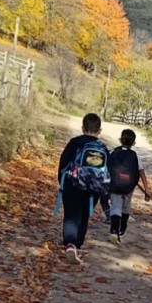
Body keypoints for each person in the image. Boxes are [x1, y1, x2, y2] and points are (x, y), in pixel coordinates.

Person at [57, 112, 109, 265]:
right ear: (99, 131)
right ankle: (77, 245)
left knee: (71, 216)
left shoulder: (74, 143)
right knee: (84, 217)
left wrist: (62, 182)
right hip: (92, 190)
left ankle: (70, 244)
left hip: (72, 186)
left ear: (82, 127)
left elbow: (63, 164)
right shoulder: (103, 148)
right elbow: (107, 171)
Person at [106, 129, 150, 245]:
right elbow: (142, 173)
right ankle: (122, 227)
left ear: (120, 140)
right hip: (129, 186)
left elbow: (106, 168)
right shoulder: (135, 157)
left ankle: (114, 231)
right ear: (134, 143)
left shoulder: (113, 153)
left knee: (115, 206)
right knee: (126, 206)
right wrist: (146, 190)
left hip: (115, 184)